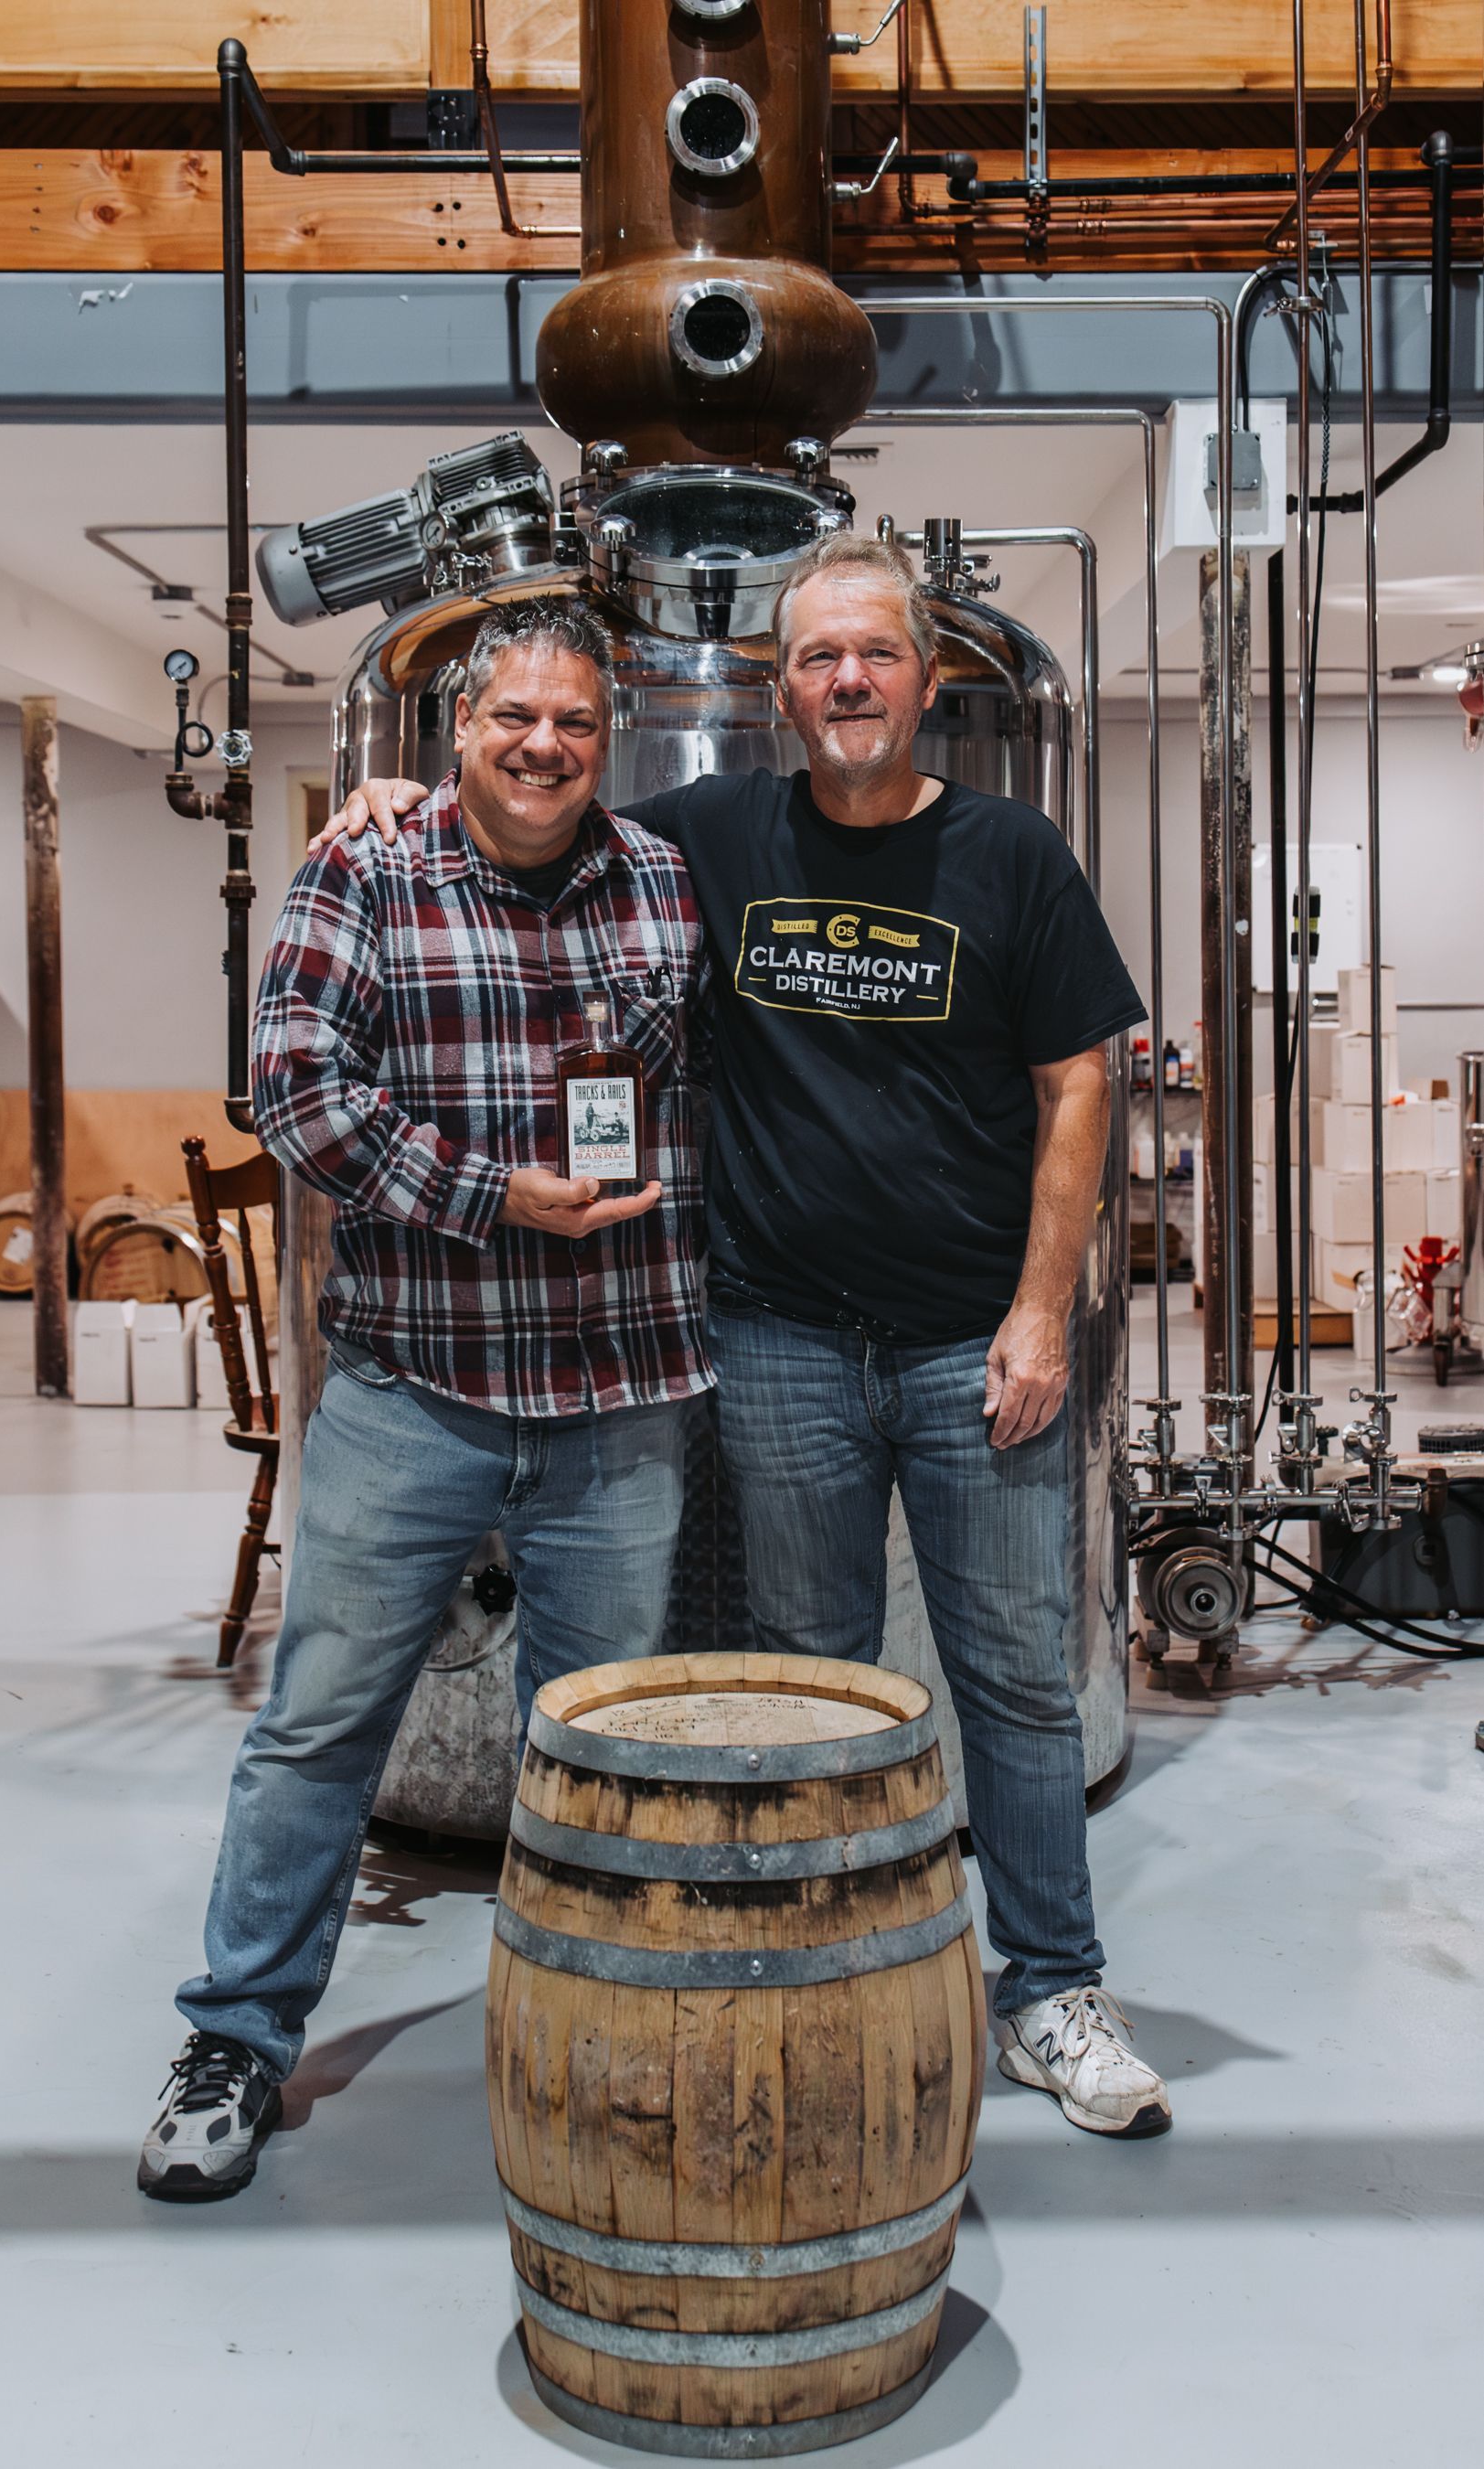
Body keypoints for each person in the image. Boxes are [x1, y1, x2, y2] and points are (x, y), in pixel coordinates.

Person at [324, 532, 1172, 2139]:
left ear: (923, 677)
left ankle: (1051, 1986)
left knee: (1014, 1683)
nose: (843, 681)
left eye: (872, 654)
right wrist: (390, 809)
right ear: (779, 690)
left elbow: (1079, 1084)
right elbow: (531, 811)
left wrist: (1040, 1315)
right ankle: (831, 1972)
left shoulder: (1011, 854)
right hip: (777, 1344)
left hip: (968, 1347)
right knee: (812, 1683)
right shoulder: (710, 832)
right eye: (812, 659)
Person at [140, 597, 710, 2202]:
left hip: (615, 1394)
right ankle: (237, 2034)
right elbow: (302, 1096)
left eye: (576, 724)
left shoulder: (661, 876)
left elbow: (682, 1068)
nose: (542, 745)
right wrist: (489, 1196)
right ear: (450, 734)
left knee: (598, 1751)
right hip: (418, 1386)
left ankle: (588, 2034)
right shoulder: (359, 867)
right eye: (511, 718)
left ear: (613, 740)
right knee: (318, 1730)